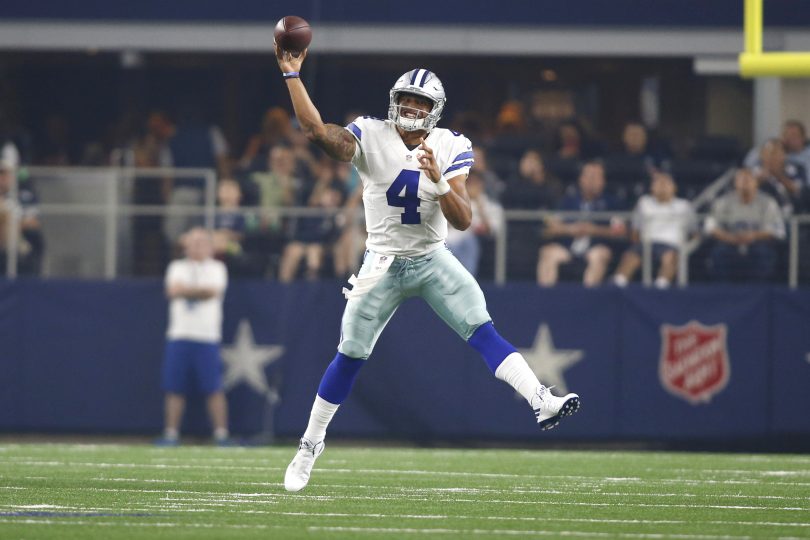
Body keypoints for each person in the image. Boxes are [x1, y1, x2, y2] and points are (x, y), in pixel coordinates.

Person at [274, 48, 581, 492]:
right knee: (351, 353)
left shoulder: (451, 145)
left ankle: (540, 399)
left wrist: (438, 180)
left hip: (432, 258)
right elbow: (314, 130)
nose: (412, 108)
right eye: (407, 98)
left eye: (421, 103)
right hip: (381, 262)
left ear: (434, 111)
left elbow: (462, 219)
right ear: (394, 99)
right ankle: (310, 443)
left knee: (482, 327)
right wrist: (291, 73)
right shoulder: (371, 133)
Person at [157, 227, 232, 446]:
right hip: (179, 335)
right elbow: (173, 291)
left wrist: (187, 290)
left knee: (214, 388)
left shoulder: (217, 268)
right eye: (193, 242)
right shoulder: (176, 267)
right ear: (186, 245)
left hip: (207, 337)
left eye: (201, 242)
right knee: (174, 387)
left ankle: (221, 434)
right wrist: (198, 290)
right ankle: (171, 434)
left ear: (209, 246)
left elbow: (212, 292)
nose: (196, 246)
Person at [537, 161, 626, 287]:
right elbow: (550, 226)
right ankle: (546, 300)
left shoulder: (612, 203)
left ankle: (587, 300)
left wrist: (594, 230)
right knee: (548, 252)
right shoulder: (568, 200)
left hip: (595, 246)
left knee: (600, 254)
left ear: (603, 181)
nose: (591, 181)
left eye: (596, 177)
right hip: (568, 247)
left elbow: (620, 231)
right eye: (588, 176)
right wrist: (570, 229)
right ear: (581, 179)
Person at [611, 172, 697, 289]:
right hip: (647, 243)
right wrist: (638, 245)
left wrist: (684, 249)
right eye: (658, 183)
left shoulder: (684, 206)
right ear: (652, 187)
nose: (662, 186)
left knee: (670, 257)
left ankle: (660, 287)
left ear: (674, 187)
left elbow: (694, 232)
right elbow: (635, 231)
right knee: (630, 255)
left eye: (666, 183)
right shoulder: (644, 202)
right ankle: (617, 285)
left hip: (671, 245)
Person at [705, 168, 786, 282]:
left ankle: (760, 292)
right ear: (735, 183)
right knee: (718, 254)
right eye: (741, 179)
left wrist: (753, 236)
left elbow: (777, 230)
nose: (745, 182)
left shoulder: (768, 202)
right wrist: (729, 237)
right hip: (730, 242)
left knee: (765, 255)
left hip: (758, 243)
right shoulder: (723, 201)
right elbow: (710, 227)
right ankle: (723, 291)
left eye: (748, 179)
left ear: (756, 182)